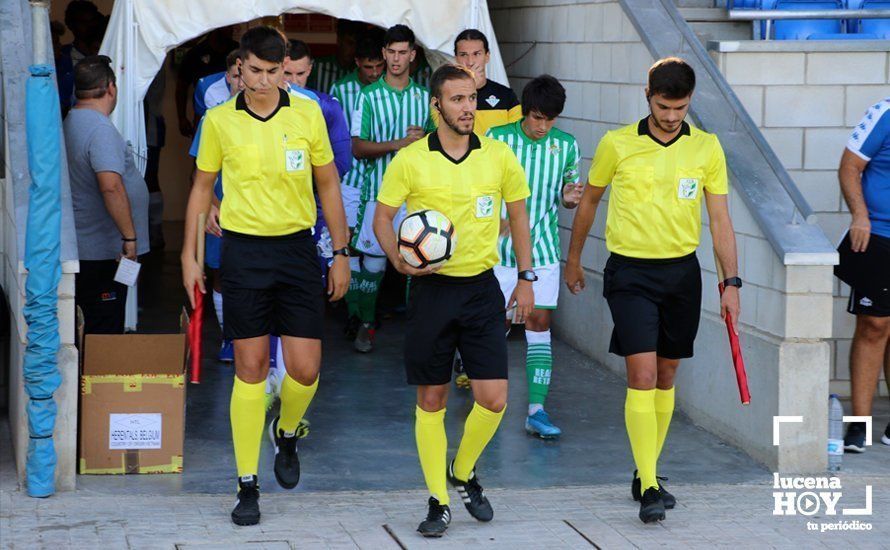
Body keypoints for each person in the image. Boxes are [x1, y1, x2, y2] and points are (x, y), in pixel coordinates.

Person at [181, 26, 350, 526]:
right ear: (239, 65)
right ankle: (247, 484)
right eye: (253, 70)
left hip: (298, 252)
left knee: (305, 370)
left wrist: (339, 252)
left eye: (273, 72)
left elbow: (328, 185)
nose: (262, 80)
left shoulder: (307, 113)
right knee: (250, 370)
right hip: (243, 254)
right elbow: (200, 189)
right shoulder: (218, 121)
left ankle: (289, 431)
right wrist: (191, 257)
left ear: (285, 70)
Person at [564, 58, 740, 524]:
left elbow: (721, 220)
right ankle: (648, 488)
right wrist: (575, 258)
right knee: (640, 376)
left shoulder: (707, 148)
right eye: (664, 107)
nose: (671, 116)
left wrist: (731, 283)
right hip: (630, 274)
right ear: (648, 98)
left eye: (680, 108)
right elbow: (590, 203)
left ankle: (648, 472)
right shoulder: (616, 143)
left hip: (683, 274)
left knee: (666, 377)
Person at [374, 64, 533, 538]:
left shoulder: (499, 156)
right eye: (458, 100)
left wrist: (525, 277)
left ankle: (462, 471)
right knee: (432, 397)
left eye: (472, 99)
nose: (469, 108)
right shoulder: (411, 159)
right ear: (436, 105)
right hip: (431, 291)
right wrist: (398, 262)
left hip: (482, 288)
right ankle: (437, 501)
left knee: (494, 399)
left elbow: (519, 217)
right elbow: (383, 219)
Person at [486, 75, 583, 439]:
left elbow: (568, 193)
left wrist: (570, 198)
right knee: (494, 327)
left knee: (539, 325)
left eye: (550, 119)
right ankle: (490, 403)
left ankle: (536, 410)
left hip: (542, 251)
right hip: (495, 253)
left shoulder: (567, 146)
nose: (543, 126)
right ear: (526, 112)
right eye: (538, 117)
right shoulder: (497, 139)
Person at [349, 24, 431, 353]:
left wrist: (424, 140)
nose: (396, 59)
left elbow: (436, 146)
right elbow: (357, 147)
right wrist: (400, 143)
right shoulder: (367, 96)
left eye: (402, 53)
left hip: (416, 196)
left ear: (412, 55)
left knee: (419, 260)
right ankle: (365, 325)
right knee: (375, 264)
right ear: (384, 54)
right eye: (391, 52)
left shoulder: (426, 98)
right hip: (377, 193)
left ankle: (418, 332)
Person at [64, 55, 150, 334]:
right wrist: (130, 237)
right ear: (110, 88)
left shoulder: (73, 119)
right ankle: (95, 379)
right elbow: (110, 185)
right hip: (102, 252)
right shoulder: (99, 129)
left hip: (89, 246)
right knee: (102, 326)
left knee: (89, 322)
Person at [837, 96, 890, 451]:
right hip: (879, 237)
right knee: (874, 325)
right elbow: (849, 167)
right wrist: (860, 216)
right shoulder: (884, 112)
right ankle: (859, 423)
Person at [330, 34, 385, 338]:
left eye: (379, 66)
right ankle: (355, 315)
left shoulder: (391, 92)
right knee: (349, 248)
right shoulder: (341, 89)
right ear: (357, 64)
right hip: (348, 181)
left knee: (376, 255)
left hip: (380, 183)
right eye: (368, 67)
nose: (374, 72)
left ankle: (367, 313)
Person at [190, 50, 242, 364]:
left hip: (257, 214)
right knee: (221, 272)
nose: (240, 81)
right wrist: (209, 204)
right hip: (220, 209)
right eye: (234, 76)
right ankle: (229, 336)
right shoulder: (214, 118)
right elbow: (199, 172)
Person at [450, 29, 521, 137]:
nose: (470, 62)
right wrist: (470, 88)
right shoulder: (445, 94)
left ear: (487, 56)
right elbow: (442, 131)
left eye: (477, 54)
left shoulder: (506, 95)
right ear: (456, 59)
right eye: (463, 55)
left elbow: (517, 135)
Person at [175, 26, 238, 137]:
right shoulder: (195, 53)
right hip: (203, 117)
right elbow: (181, 87)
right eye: (228, 26)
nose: (231, 28)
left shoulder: (239, 51)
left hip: (236, 118)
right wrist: (182, 118)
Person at [308, 18, 360, 93]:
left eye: (357, 44)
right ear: (339, 41)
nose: (354, 49)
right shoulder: (317, 66)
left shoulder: (363, 71)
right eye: (350, 43)